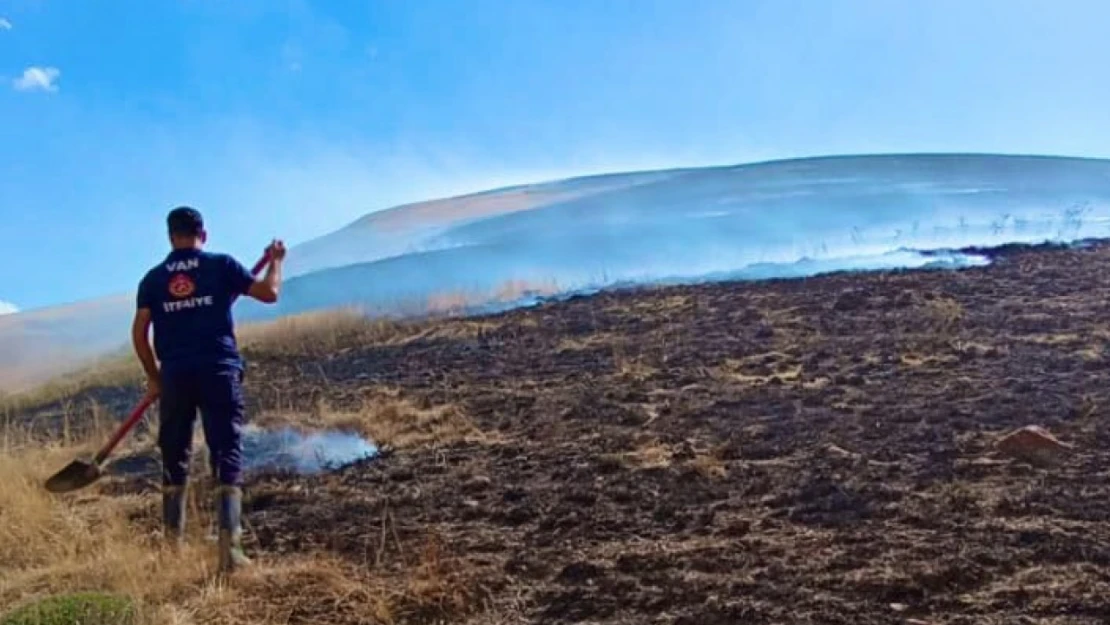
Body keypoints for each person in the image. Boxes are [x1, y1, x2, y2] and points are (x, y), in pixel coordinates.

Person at [131, 205, 286, 573]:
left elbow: (139, 334)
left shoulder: (152, 279)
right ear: (204, 233)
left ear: (171, 236)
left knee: (174, 453)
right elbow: (268, 293)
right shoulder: (221, 265)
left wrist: (155, 377)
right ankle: (230, 552)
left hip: (176, 375)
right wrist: (276, 260)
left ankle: (172, 549)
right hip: (218, 370)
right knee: (226, 451)